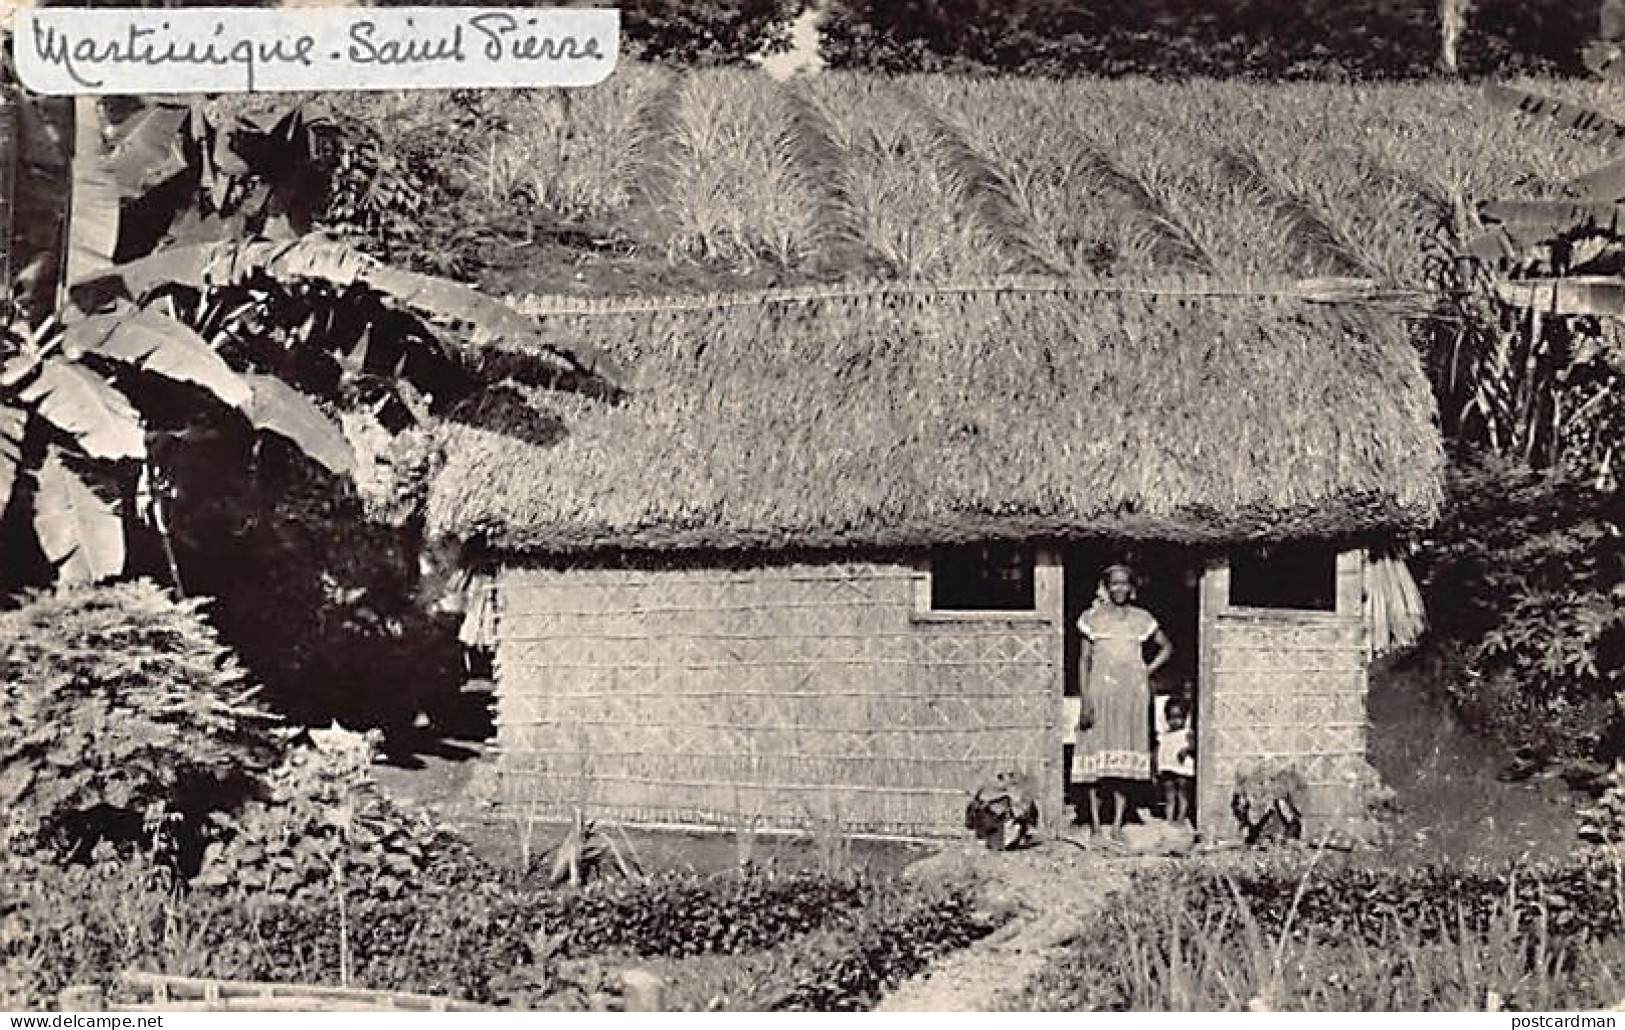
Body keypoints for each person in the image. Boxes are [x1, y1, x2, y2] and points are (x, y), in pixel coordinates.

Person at [1073, 563, 1174, 837]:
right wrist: (1085, 699)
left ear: (1132, 588)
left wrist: (1146, 671)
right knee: (1093, 756)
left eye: (1124, 583)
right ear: (1106, 587)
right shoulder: (1092, 618)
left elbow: (1166, 647)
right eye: (1114, 583)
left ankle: (1117, 825)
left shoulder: (1141, 618)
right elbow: (1084, 661)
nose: (1119, 588)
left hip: (1131, 696)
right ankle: (1095, 825)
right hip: (1100, 692)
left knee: (1123, 762)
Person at [1156, 688, 1196, 826]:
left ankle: (1181, 818)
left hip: (1182, 768)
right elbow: (1159, 750)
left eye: (1178, 717)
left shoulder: (1187, 732)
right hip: (1168, 767)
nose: (1175, 721)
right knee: (1169, 794)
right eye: (1171, 718)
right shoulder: (1165, 734)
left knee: (1182, 793)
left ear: (1185, 718)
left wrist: (1186, 749)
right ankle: (1169, 818)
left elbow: (1193, 746)